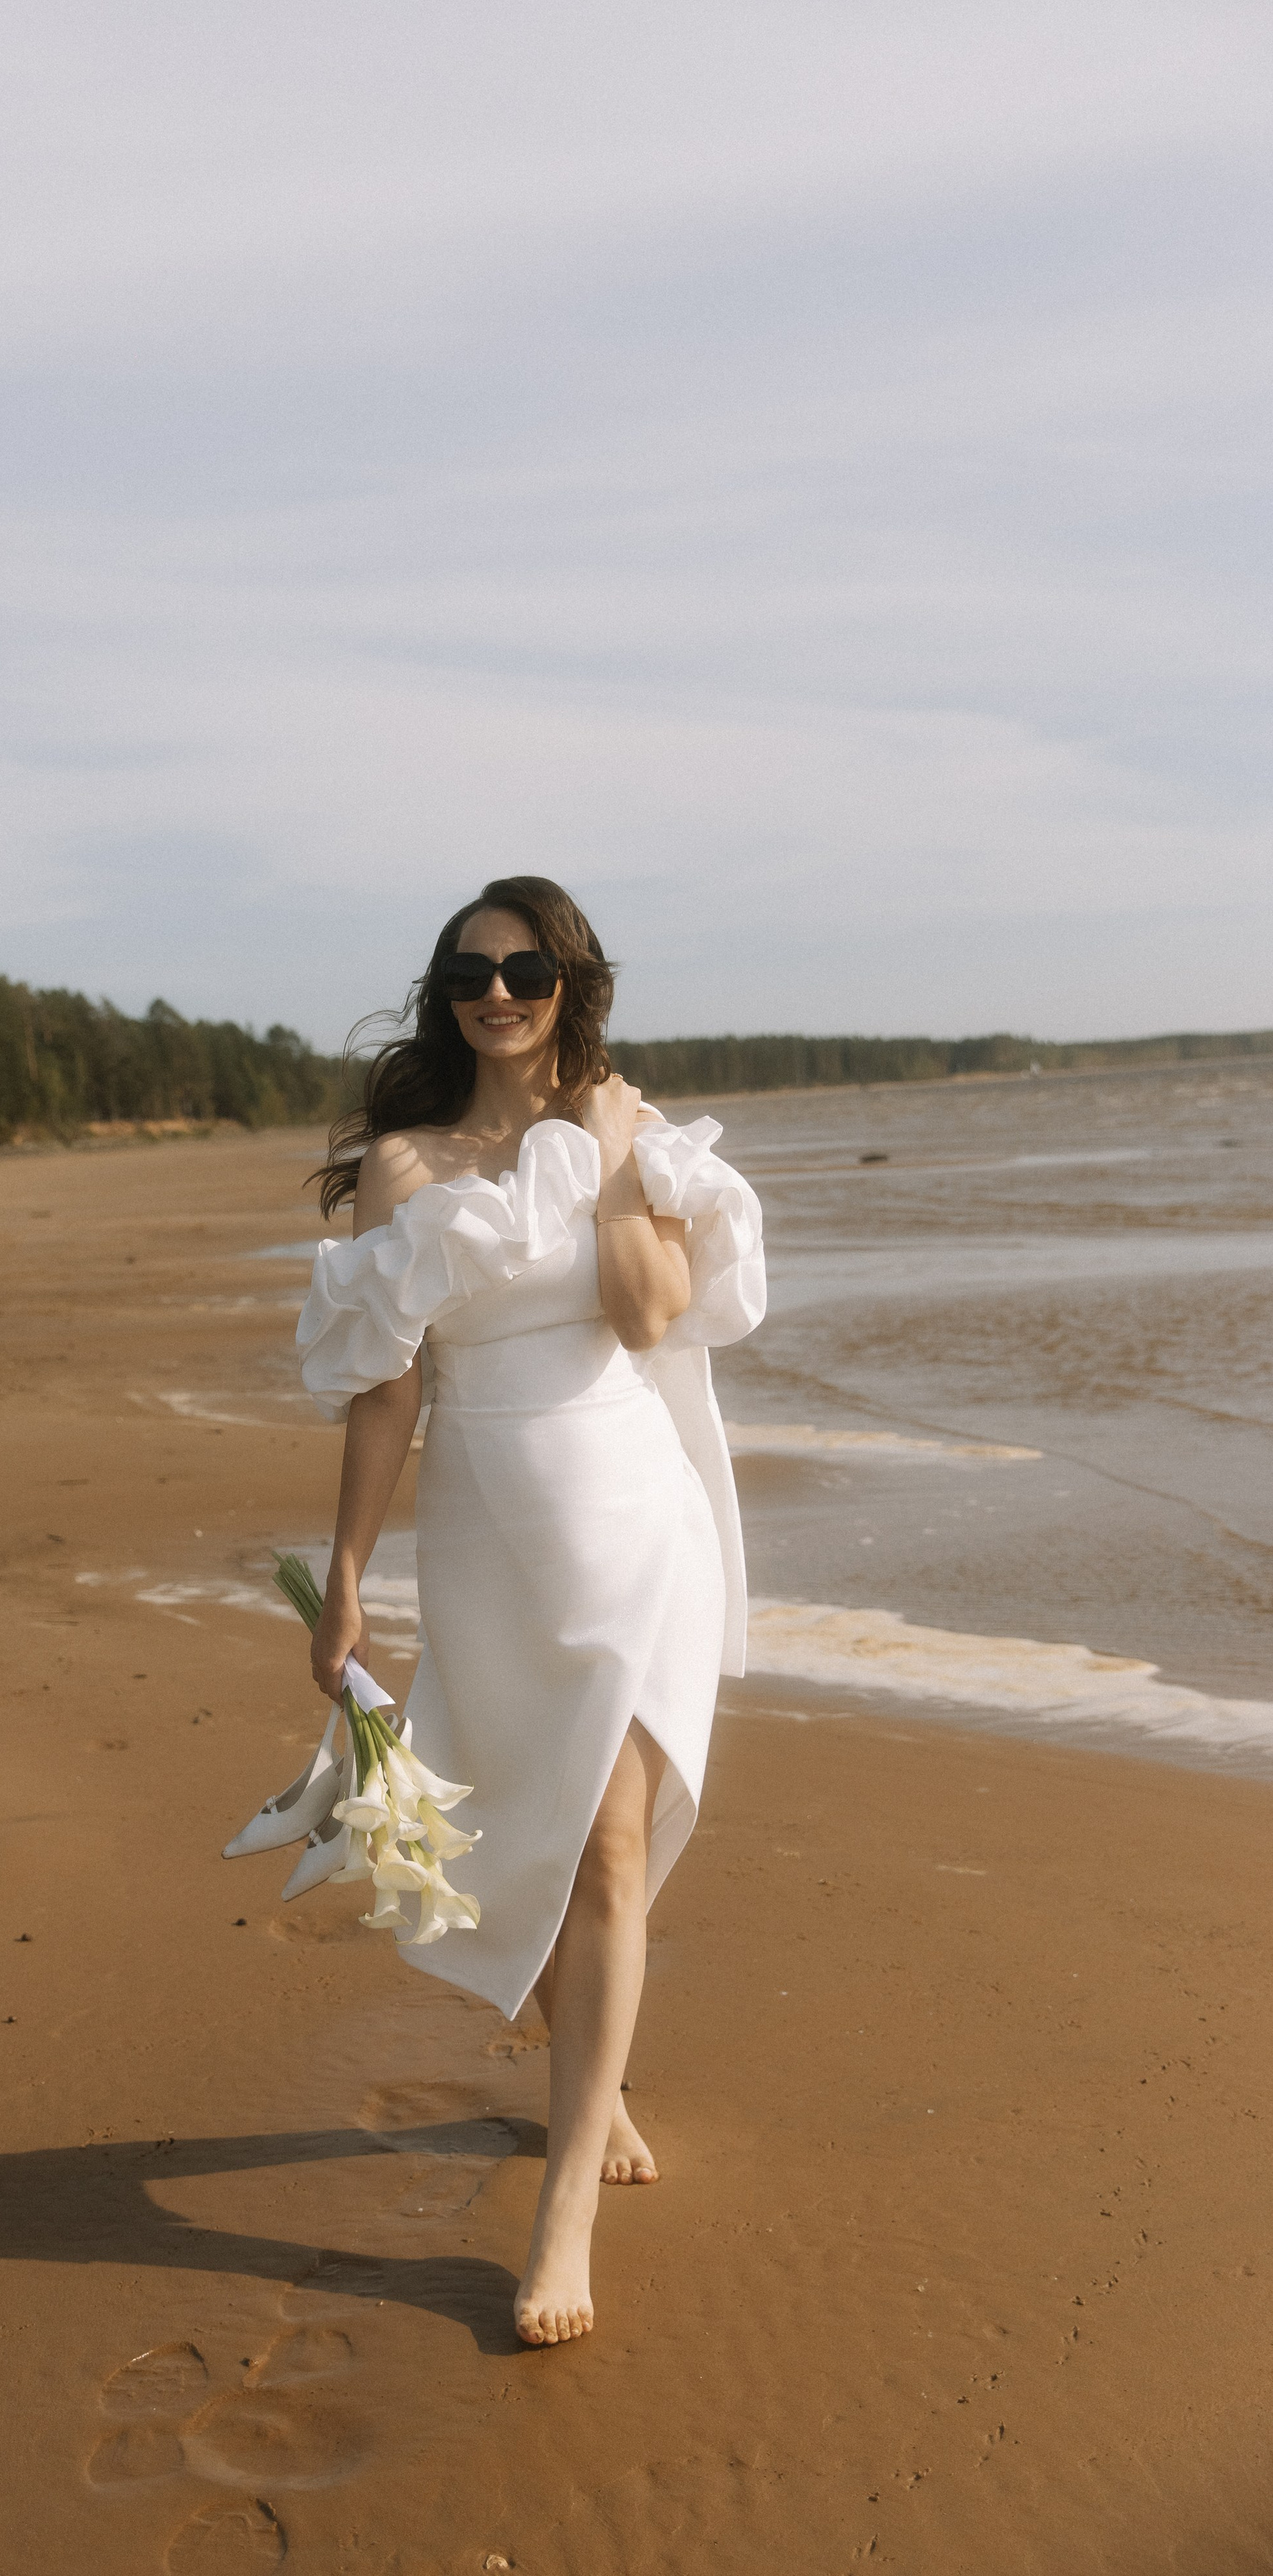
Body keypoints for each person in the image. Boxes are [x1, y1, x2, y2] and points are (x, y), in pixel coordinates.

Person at [295, 874, 765, 2346]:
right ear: (444, 991)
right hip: (488, 1540)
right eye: (466, 971)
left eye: (523, 970)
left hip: (634, 1522)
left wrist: (610, 1159)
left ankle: (562, 2211)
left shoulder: (635, 1133)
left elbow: (641, 1316)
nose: (493, 993)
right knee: (540, 1844)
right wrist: (347, 1577)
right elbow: (384, 1390)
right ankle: (594, 2078)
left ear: (572, 983)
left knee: (611, 1850)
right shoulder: (404, 1167)